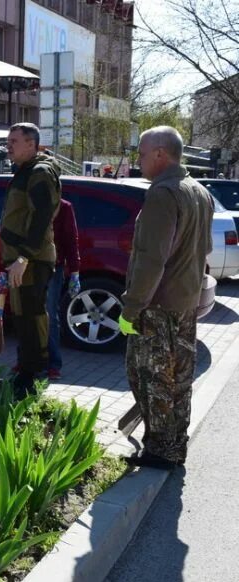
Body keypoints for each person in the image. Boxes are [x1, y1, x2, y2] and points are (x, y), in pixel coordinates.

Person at [119, 126, 213, 469]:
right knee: (180, 377)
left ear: (161, 154)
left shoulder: (163, 194)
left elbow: (151, 258)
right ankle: (175, 445)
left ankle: (159, 450)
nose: (138, 160)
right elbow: (205, 250)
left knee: (150, 376)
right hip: (185, 302)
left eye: (142, 154)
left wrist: (131, 308)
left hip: (157, 305)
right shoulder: (198, 191)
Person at [0, 122, 60, 398]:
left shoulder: (39, 172)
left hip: (31, 260)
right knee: (23, 315)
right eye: (8, 140)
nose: (8, 145)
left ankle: (30, 378)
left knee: (32, 316)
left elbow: (41, 217)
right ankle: (25, 370)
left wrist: (24, 256)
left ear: (31, 144)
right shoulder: (24, 170)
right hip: (21, 259)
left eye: (14, 140)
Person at [45, 199, 81, 379]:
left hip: (53, 266)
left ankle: (53, 363)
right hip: (28, 265)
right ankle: (27, 360)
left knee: (50, 314)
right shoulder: (28, 200)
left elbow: (70, 239)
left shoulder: (64, 207)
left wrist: (74, 271)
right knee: (26, 314)